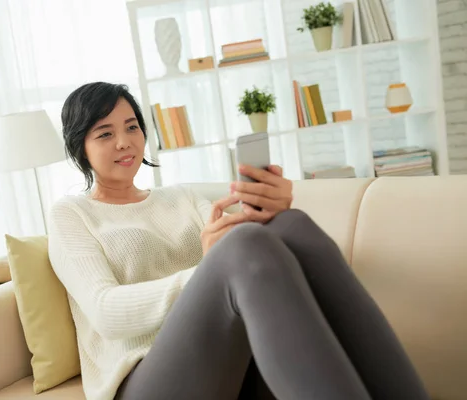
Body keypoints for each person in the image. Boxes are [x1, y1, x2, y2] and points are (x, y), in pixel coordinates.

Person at [48, 82, 429, 400]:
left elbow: (255, 256)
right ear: (80, 146)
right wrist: (205, 272)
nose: (124, 142)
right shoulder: (72, 214)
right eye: (105, 134)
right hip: (142, 380)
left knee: (291, 225)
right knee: (242, 246)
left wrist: (272, 209)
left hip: (227, 360)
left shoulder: (179, 198)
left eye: (132, 127)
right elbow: (107, 312)